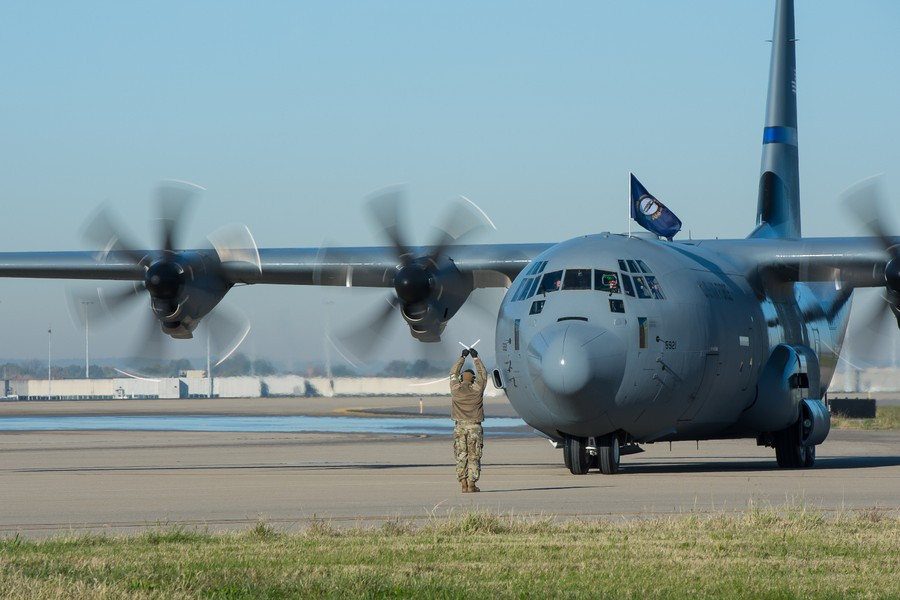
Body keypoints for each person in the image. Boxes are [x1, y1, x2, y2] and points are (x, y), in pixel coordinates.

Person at [450, 347, 487, 493]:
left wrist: (462, 357)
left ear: (461, 379)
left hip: (459, 427)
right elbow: (483, 374)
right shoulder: (477, 389)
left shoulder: (455, 390)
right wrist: (476, 358)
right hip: (474, 427)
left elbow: (452, 373)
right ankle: (472, 484)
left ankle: (463, 484)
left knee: (461, 455)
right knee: (474, 455)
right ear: (473, 379)